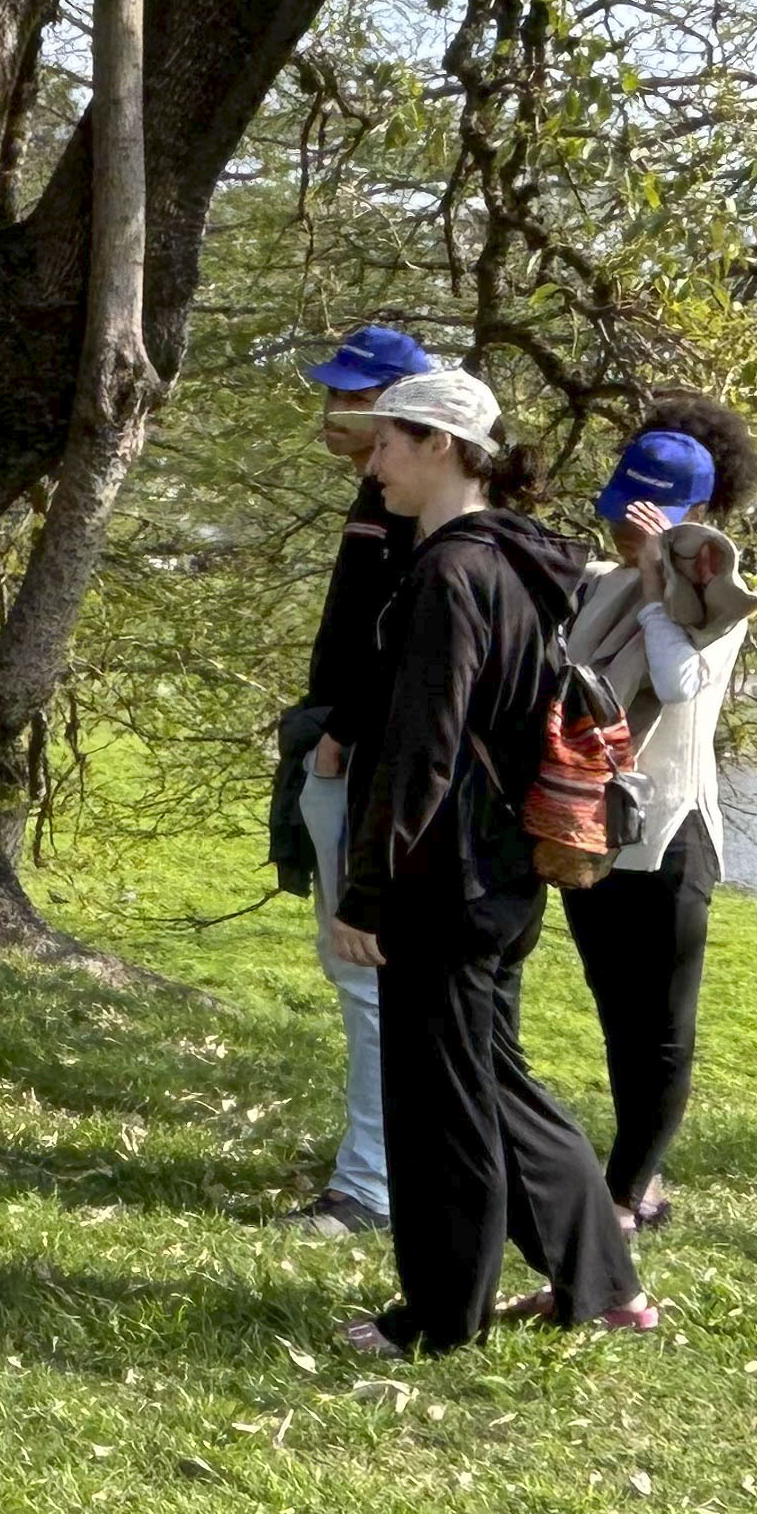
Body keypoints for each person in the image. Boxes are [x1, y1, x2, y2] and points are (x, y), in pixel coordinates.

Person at [326, 366, 650, 1357]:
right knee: (493, 1079)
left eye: (387, 442)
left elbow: (422, 746)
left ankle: (438, 1320)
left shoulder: (454, 573)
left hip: (444, 874)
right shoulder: (519, 563)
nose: (370, 462)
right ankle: (602, 1286)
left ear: (440, 447)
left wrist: (367, 892)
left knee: (443, 1111)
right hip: (500, 869)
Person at [562, 401, 757, 1233]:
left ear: (693, 520)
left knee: (662, 1027)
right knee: (615, 1014)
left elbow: (681, 684)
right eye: (620, 515)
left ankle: (621, 1197)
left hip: (671, 835)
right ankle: (635, 1181)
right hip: (591, 827)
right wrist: (632, 583)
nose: (625, 532)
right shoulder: (596, 586)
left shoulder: (718, 595)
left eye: (646, 519)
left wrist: (658, 592)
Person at [276, 324, 438, 1239]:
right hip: (345, 755)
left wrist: (342, 735)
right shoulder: (377, 496)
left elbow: (403, 647)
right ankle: (379, 1165)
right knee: (356, 975)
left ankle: (370, 1186)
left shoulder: (421, 513)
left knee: (367, 970)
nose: (335, 410)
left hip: (367, 768)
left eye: (355, 395)